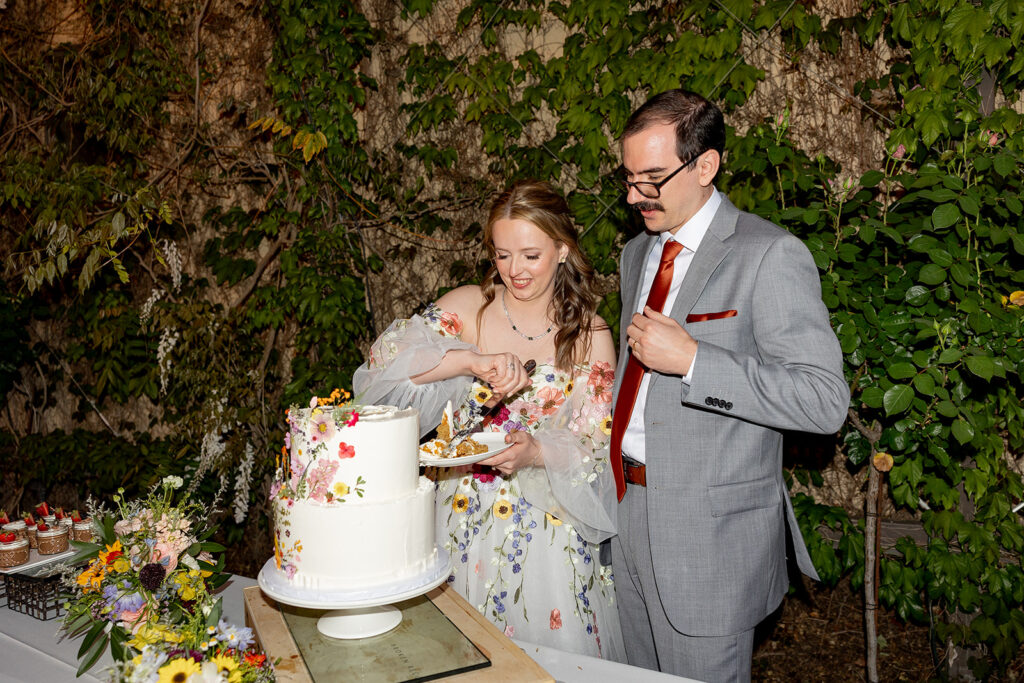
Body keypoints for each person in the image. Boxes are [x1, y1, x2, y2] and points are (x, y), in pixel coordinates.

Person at [609, 89, 849, 681]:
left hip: (708, 539)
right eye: (629, 178)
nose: (637, 195)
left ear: (706, 165)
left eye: (653, 178)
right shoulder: (636, 255)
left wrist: (694, 360)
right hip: (624, 513)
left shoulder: (769, 255)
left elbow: (823, 401)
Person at [353, 180, 624, 660]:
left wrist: (535, 452)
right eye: (502, 255)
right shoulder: (469, 306)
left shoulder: (589, 335)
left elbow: (594, 445)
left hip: (544, 530)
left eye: (530, 255)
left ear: (562, 250)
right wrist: (466, 361)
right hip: (455, 517)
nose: (514, 270)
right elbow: (380, 371)